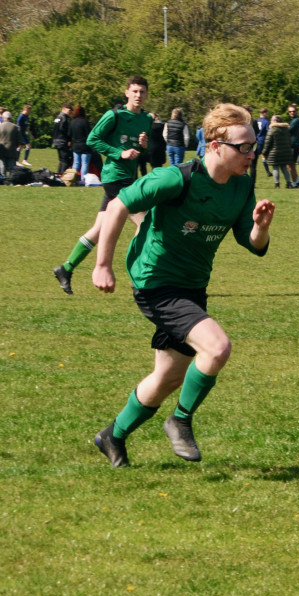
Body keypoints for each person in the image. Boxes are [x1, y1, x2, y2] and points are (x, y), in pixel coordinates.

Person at [90, 103, 274, 468]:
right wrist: (102, 264)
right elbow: (117, 206)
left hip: (192, 288)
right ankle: (181, 421)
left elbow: (252, 245)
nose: (251, 154)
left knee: (168, 377)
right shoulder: (177, 178)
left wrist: (261, 227)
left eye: (254, 145)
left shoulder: (241, 187)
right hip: (156, 282)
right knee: (217, 348)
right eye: (244, 147)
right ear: (214, 145)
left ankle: (112, 436)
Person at [53, 75, 152, 295]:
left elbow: (139, 149)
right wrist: (120, 153)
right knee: (145, 224)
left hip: (128, 176)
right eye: (134, 91)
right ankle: (138, 277)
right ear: (126, 92)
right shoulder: (114, 115)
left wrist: (143, 147)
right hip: (115, 177)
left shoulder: (146, 119)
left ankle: (66, 268)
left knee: (99, 229)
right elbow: (92, 140)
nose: (138, 95)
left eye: (142, 92)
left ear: (146, 95)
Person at [262, 114, 294, 188]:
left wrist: (264, 152)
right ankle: (289, 183)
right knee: (284, 168)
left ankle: (277, 184)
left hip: (274, 152)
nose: (270, 121)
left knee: (275, 168)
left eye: (272, 120)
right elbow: (289, 141)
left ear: (275, 121)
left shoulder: (272, 130)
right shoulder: (286, 129)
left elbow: (267, 142)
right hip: (285, 152)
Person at [138, 112, 167, 176]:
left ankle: (145, 178)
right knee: (158, 168)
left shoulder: (148, 126)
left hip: (149, 149)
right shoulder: (163, 126)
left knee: (143, 166)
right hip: (160, 149)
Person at [68, 105, 92, 179]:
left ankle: (73, 179)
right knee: (84, 163)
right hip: (85, 145)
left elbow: (69, 134)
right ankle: (83, 179)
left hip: (75, 145)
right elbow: (89, 134)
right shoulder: (85, 122)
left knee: (76, 163)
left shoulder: (72, 122)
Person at [286, 104, 299, 187]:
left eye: (293, 111)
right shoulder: (293, 120)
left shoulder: (296, 120)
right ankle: (297, 181)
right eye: (290, 111)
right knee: (290, 165)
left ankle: (296, 182)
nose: (292, 113)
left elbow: (289, 130)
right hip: (292, 145)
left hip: (294, 145)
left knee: (291, 165)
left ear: (296, 111)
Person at [53, 103, 73, 175]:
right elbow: (62, 129)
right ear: (64, 109)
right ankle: (62, 175)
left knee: (61, 159)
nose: (70, 112)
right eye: (69, 110)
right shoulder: (64, 118)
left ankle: (59, 174)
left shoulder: (57, 117)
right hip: (62, 140)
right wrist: (68, 138)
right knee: (65, 159)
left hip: (56, 140)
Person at [0, 111, 18, 177]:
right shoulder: (16, 127)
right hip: (12, 150)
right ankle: (11, 179)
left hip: (1, 150)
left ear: (4, 118)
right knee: (12, 167)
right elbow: (19, 141)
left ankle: (3, 178)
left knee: (2, 166)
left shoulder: (0, 126)